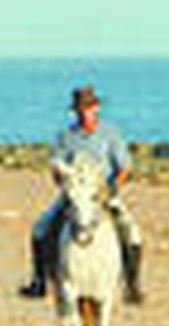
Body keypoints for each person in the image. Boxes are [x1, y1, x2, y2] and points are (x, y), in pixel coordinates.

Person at [18, 86, 144, 304]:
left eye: (88, 107)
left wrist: (112, 188)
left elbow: (124, 167)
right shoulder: (67, 136)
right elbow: (56, 168)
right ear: (75, 111)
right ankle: (39, 281)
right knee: (40, 228)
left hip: (102, 194)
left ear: (97, 108)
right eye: (80, 109)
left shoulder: (110, 135)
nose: (85, 112)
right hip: (74, 195)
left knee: (132, 232)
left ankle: (132, 285)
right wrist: (63, 182)